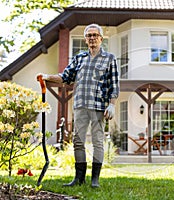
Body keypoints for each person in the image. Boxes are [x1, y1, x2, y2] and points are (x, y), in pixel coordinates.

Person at [38, 24, 119, 188]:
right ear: (85, 40)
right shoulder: (79, 58)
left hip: (98, 106)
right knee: (78, 142)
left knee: (97, 141)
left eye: (95, 35)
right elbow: (65, 77)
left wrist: (112, 105)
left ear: (101, 38)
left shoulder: (110, 59)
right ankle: (79, 178)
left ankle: (95, 179)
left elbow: (114, 84)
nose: (92, 38)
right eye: (89, 36)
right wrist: (47, 76)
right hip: (81, 105)